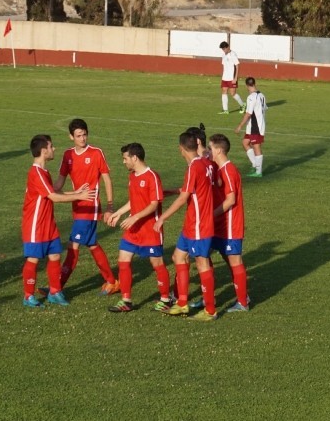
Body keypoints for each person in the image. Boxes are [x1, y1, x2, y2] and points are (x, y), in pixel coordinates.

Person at [22, 134, 96, 307]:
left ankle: (55, 292)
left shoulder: (44, 172)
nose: (53, 149)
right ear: (43, 150)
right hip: (35, 224)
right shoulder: (36, 172)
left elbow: (53, 192)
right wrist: (79, 196)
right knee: (33, 259)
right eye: (51, 146)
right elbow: (54, 197)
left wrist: (77, 192)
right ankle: (28, 296)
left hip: (48, 223)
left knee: (55, 255)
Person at [154, 131, 217, 321]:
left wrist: (162, 217)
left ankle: (210, 310)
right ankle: (182, 303)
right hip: (192, 224)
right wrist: (171, 191)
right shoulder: (206, 163)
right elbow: (193, 189)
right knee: (178, 256)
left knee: (201, 262)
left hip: (199, 224)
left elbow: (185, 198)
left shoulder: (193, 167)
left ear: (181, 148)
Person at [52, 119, 119, 296]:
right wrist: (46, 190)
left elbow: (106, 179)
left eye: (84, 134)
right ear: (71, 137)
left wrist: (110, 206)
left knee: (73, 246)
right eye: (78, 135)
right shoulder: (68, 155)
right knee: (91, 244)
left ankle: (57, 287)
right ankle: (112, 281)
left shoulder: (96, 153)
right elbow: (59, 182)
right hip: (77, 207)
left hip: (90, 207)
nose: (82, 138)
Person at [106, 143, 171, 313]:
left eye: (125, 158)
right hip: (133, 230)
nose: (124, 162)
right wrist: (119, 213)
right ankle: (126, 300)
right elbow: (133, 201)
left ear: (134, 158)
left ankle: (165, 299)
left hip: (151, 229)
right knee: (123, 260)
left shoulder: (152, 177)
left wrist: (135, 217)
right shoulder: (132, 176)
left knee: (157, 263)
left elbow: (154, 204)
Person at [207, 133, 249, 312]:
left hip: (230, 226)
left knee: (234, 261)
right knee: (202, 255)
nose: (208, 152)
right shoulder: (219, 169)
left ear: (218, 150)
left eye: (210, 148)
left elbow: (231, 200)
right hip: (219, 225)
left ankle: (243, 302)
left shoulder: (228, 170)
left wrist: (210, 215)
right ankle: (207, 296)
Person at [234, 76, 267, 177]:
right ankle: (254, 164)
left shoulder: (251, 97)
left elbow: (248, 113)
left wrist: (240, 126)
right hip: (253, 125)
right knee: (245, 143)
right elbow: (265, 108)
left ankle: (258, 172)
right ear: (254, 83)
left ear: (247, 85)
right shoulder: (262, 95)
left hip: (255, 126)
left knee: (256, 146)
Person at [218, 41, 246, 115]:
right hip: (225, 77)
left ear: (228, 47)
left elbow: (237, 66)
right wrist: (223, 76)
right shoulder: (223, 55)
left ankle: (243, 105)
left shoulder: (233, 54)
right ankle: (225, 110)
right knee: (224, 91)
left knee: (233, 93)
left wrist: (235, 78)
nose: (223, 50)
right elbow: (224, 66)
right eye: (222, 49)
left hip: (232, 77)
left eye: (224, 49)